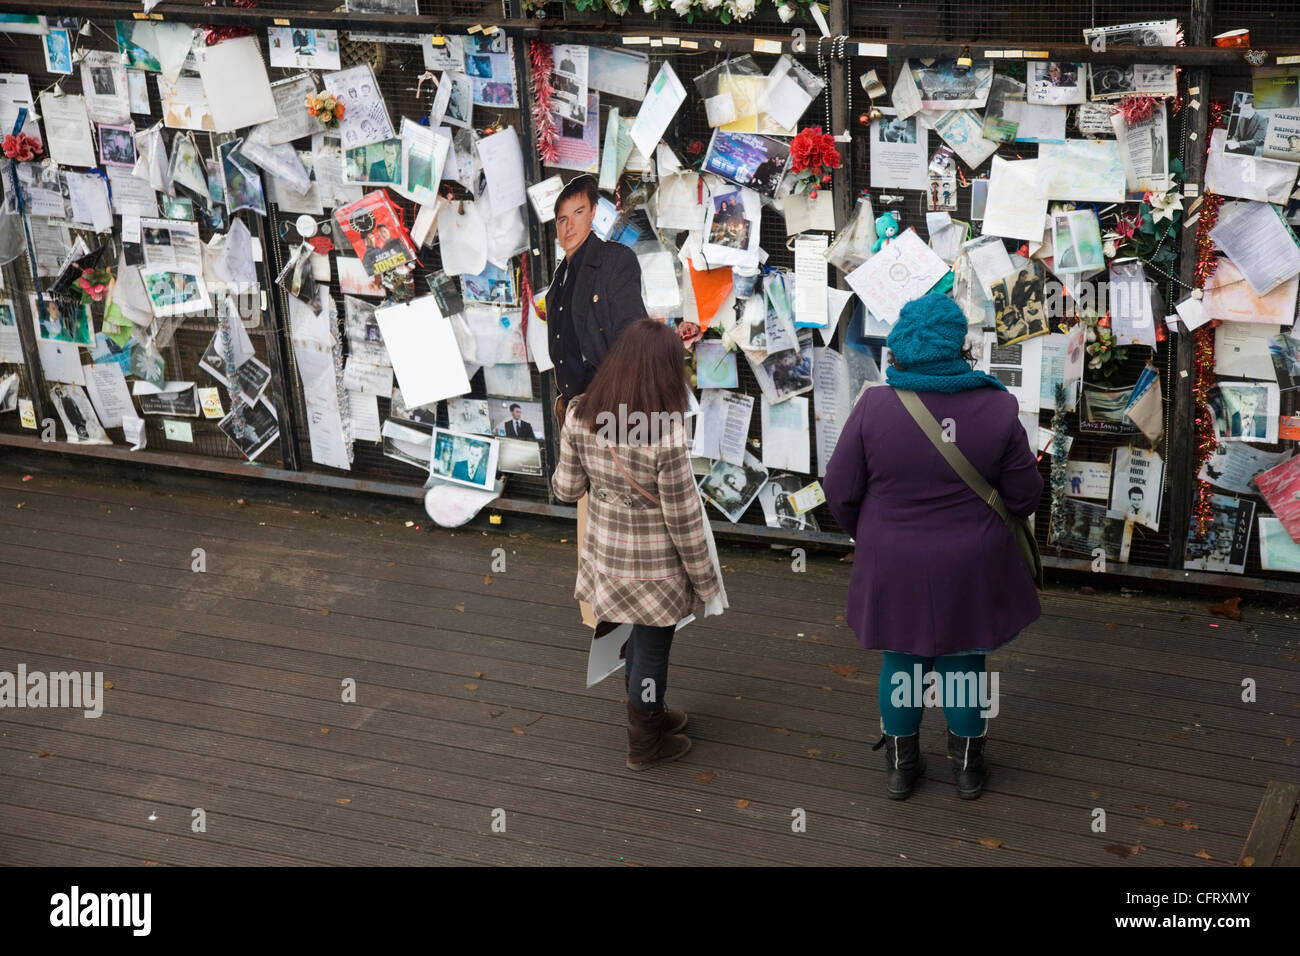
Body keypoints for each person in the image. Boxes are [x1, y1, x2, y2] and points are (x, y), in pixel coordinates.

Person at [823, 293, 1044, 801]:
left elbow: (838, 490)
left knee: (902, 660)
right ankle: (967, 770)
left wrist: (874, 533)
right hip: (971, 564)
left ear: (902, 347)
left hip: (893, 561)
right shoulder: (997, 406)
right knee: (964, 662)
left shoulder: (874, 406)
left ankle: (902, 768)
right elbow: (1025, 497)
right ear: (958, 347)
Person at [552, 319, 727, 771]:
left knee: (631, 641)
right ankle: (644, 743)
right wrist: (706, 582)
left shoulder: (578, 414)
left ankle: (651, 712)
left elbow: (566, 490)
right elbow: (684, 518)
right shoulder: (667, 433)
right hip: (655, 569)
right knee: (650, 648)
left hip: (606, 560)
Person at [546, 175, 648, 423]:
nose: (569, 226)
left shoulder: (614, 261)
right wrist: (564, 398)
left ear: (593, 213)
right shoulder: (561, 277)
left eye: (578, 213)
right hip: (574, 413)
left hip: (607, 414)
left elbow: (634, 345)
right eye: (562, 219)